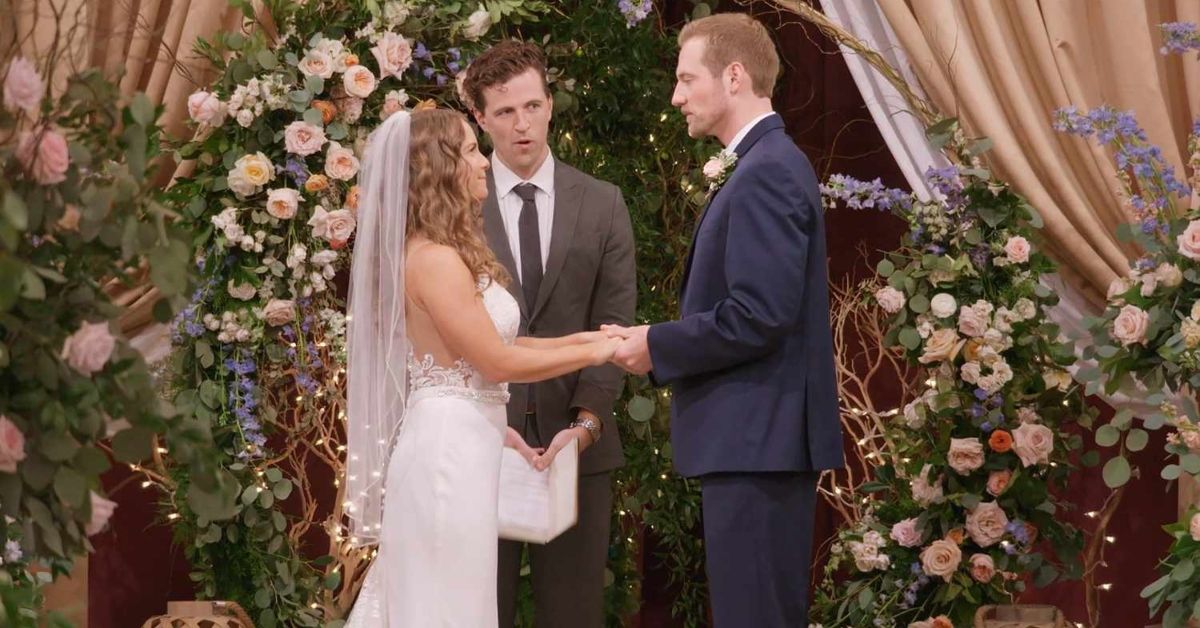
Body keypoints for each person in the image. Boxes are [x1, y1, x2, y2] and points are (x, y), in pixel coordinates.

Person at [605, 13, 845, 627]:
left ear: (734, 76)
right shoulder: (768, 163)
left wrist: (656, 344)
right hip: (755, 441)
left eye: (687, 79)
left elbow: (759, 315)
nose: (676, 95)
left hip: (757, 443)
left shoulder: (766, 171)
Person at [342, 108, 620, 627]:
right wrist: (596, 353)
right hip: (447, 455)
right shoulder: (433, 260)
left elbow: (503, 344)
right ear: (439, 168)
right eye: (470, 151)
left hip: (467, 441)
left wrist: (589, 338)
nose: (483, 164)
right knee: (447, 604)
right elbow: (495, 361)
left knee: (458, 599)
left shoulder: (442, 251)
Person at [461, 41, 637, 628]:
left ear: (550, 104)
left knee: (574, 617)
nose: (522, 125)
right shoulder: (454, 212)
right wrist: (489, 423)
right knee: (478, 613)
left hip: (577, 452)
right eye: (505, 112)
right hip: (479, 446)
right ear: (480, 118)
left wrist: (585, 426)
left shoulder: (605, 203)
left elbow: (612, 326)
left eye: (533, 106)